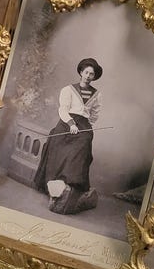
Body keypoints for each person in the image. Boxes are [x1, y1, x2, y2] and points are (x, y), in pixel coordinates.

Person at [33, 58, 103, 214]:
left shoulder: (97, 95)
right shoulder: (68, 90)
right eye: (86, 72)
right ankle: (55, 184)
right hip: (66, 122)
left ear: (94, 76)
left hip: (83, 125)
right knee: (57, 141)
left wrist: (87, 126)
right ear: (81, 72)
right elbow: (63, 110)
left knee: (83, 144)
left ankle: (70, 185)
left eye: (91, 74)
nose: (88, 76)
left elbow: (94, 114)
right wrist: (71, 124)